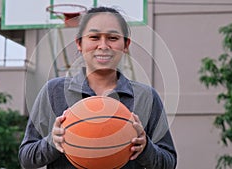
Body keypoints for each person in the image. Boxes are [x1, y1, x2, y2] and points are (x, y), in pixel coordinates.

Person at [19, 6, 177, 169]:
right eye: (94, 37)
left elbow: (169, 162)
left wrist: (145, 149)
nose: (103, 45)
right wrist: (53, 142)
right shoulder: (54, 91)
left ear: (126, 45)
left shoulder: (146, 97)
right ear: (79, 43)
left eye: (113, 38)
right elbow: (26, 158)